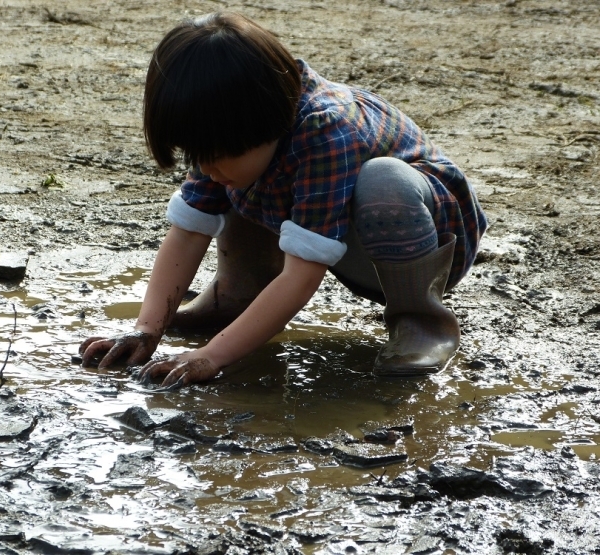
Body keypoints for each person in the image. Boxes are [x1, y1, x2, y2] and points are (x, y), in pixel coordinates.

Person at [78, 12, 488, 388]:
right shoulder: (230, 126)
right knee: (238, 180)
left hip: (426, 240)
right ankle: (238, 295)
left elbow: (301, 275)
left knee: (382, 180)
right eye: (196, 154)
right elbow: (187, 232)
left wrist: (209, 357)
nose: (207, 167)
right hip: (338, 225)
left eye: (217, 155)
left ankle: (421, 321)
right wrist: (148, 329)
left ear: (262, 122)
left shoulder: (328, 132)